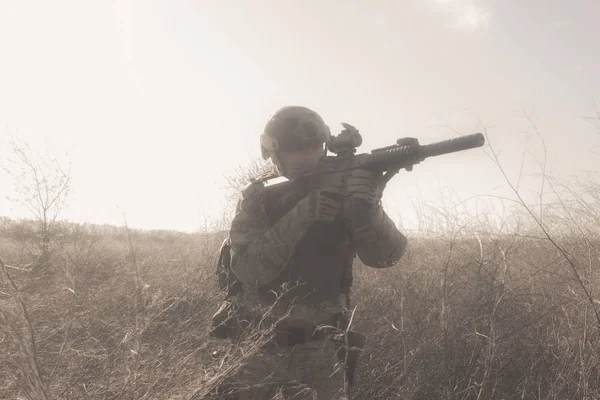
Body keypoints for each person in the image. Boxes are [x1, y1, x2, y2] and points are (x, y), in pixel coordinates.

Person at [215, 106, 407, 399]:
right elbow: (249, 270)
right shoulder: (261, 198)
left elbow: (385, 257)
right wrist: (302, 215)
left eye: (315, 147)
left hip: (321, 348)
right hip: (256, 344)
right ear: (276, 155)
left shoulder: (343, 190)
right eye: (298, 149)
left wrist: (368, 209)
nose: (310, 155)